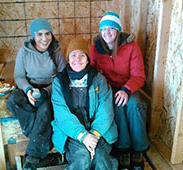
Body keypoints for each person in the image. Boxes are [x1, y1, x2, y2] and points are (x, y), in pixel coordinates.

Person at [89, 11, 149, 170]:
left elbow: (139, 75)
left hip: (128, 85)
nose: (107, 33)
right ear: (100, 31)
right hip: (107, 88)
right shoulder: (95, 49)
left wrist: (126, 90)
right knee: (116, 107)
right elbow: (91, 72)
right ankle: (123, 149)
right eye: (103, 29)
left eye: (111, 29)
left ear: (118, 31)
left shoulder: (131, 47)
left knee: (134, 105)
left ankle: (138, 149)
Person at [6, 18, 66, 169]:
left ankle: (33, 157)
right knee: (13, 100)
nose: (44, 38)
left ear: (52, 35)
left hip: (50, 90)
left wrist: (46, 92)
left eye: (47, 34)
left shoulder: (56, 50)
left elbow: (63, 77)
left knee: (46, 110)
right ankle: (38, 136)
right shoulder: (24, 52)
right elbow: (19, 76)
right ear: (33, 35)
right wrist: (27, 90)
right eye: (39, 34)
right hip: (31, 88)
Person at [51, 38, 118, 170]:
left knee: (100, 159)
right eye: (73, 55)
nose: (78, 59)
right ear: (68, 58)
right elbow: (61, 114)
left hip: (97, 129)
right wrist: (83, 136)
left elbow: (106, 110)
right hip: (72, 130)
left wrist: (93, 135)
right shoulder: (59, 81)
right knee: (81, 158)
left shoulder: (98, 78)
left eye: (82, 55)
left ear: (88, 59)